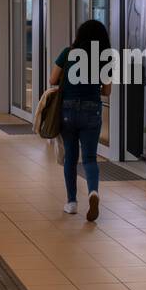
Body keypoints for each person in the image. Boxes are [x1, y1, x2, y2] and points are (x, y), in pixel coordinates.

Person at [50, 19, 111, 221]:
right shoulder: (104, 57)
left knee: (71, 157)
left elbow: (52, 80)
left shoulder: (68, 53)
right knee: (90, 158)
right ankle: (93, 192)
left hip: (68, 109)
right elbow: (107, 91)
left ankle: (72, 203)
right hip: (92, 110)